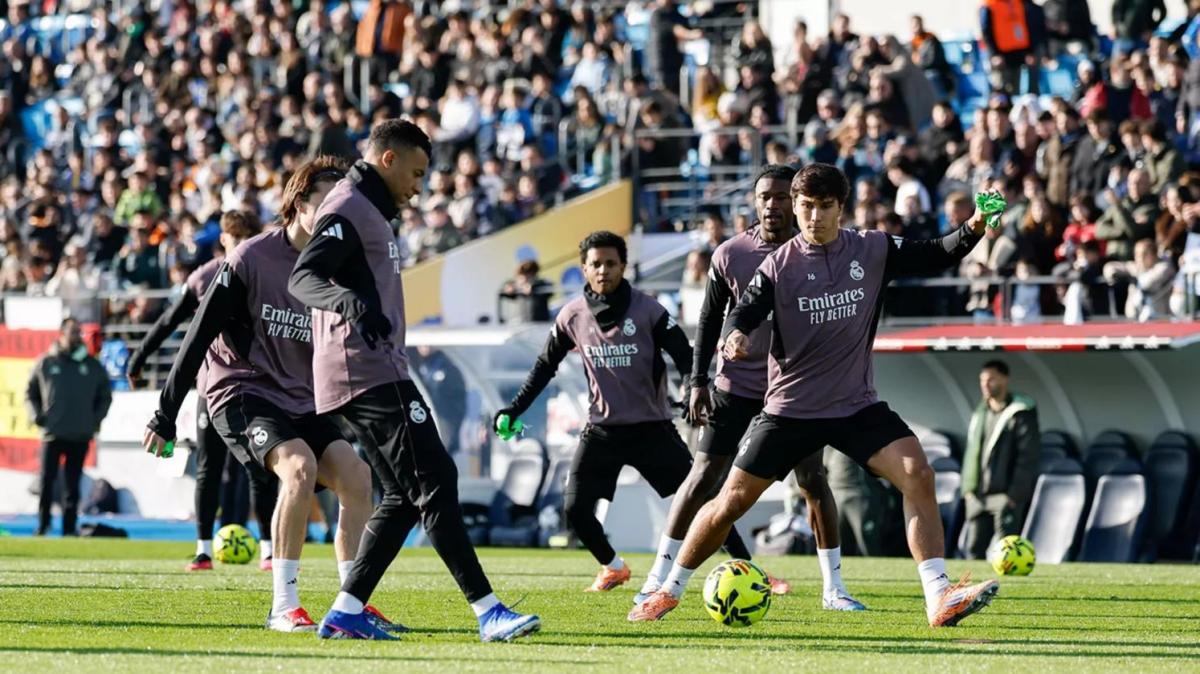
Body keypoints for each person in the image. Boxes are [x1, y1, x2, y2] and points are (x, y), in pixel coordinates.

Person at [630, 164, 1000, 627]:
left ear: (840, 209)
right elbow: (739, 314)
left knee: (917, 472)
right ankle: (667, 591)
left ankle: (938, 595)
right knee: (729, 501)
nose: (814, 217)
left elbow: (939, 253)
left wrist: (977, 225)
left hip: (855, 405)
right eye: (806, 206)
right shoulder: (778, 265)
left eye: (825, 207)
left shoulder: (873, 247)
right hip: (790, 410)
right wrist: (735, 338)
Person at [287, 120, 539, 642]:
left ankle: (346, 613)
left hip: (369, 369)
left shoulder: (367, 210)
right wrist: (352, 304)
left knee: (403, 497)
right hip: (366, 370)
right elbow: (304, 277)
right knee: (437, 479)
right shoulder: (347, 206)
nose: (419, 185)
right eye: (416, 172)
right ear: (388, 160)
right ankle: (488, 611)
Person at [144, 157, 391, 633]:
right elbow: (197, 335)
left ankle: (350, 605)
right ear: (300, 204)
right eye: (328, 201)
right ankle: (283, 605)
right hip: (240, 390)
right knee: (299, 467)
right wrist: (165, 413)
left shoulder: (336, 268)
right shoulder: (251, 259)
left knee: (358, 478)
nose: (339, 212)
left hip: (300, 398)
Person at [639, 164, 865, 613]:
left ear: (797, 203)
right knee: (703, 477)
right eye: (764, 196)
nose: (772, 204)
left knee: (813, 481)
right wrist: (698, 379)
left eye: (782, 197)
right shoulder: (730, 254)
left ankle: (834, 589)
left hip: (795, 392)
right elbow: (708, 319)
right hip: (734, 386)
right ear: (754, 201)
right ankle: (656, 579)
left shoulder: (820, 252)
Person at [495, 230, 718, 594]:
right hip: (602, 432)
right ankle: (612, 566)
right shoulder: (572, 315)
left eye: (611, 264)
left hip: (652, 430)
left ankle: (752, 569)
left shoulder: (649, 310)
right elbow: (544, 366)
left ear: (623, 267)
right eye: (595, 264)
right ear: (584, 269)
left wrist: (699, 388)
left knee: (703, 502)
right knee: (575, 512)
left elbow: (684, 353)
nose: (603, 271)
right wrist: (515, 408)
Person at [127, 210, 278, 572]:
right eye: (233, 238)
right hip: (213, 386)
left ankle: (269, 549)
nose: (239, 245)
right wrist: (140, 357)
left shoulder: (263, 271)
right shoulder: (206, 277)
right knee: (210, 465)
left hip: (257, 384)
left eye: (245, 238)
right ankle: (204, 548)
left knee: (261, 465)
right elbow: (170, 320)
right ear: (222, 240)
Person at [26, 318, 112, 537]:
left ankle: (69, 528)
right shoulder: (46, 362)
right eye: (71, 332)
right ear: (61, 333)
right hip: (52, 433)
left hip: (80, 433)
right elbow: (30, 393)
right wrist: (36, 416)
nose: (75, 336)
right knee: (47, 481)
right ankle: (43, 525)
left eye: (78, 332)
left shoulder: (92, 365)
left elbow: (105, 396)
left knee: (72, 485)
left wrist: (94, 420)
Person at [962, 361, 1041, 560]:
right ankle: (977, 589)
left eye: (991, 379)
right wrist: (968, 490)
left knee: (1008, 553)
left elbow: (1028, 457)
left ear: (1005, 380)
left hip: (1005, 497)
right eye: (982, 380)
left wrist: (1014, 495)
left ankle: (1009, 589)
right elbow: (971, 453)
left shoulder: (1021, 414)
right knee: (973, 551)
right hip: (979, 497)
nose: (985, 384)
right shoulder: (980, 413)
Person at [497, 259, 553, 323]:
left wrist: (533, 287)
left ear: (534, 275)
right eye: (522, 277)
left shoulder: (542, 284)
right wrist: (509, 287)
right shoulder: (517, 286)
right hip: (523, 324)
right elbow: (504, 290)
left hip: (541, 324)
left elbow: (549, 288)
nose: (525, 279)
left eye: (528, 276)